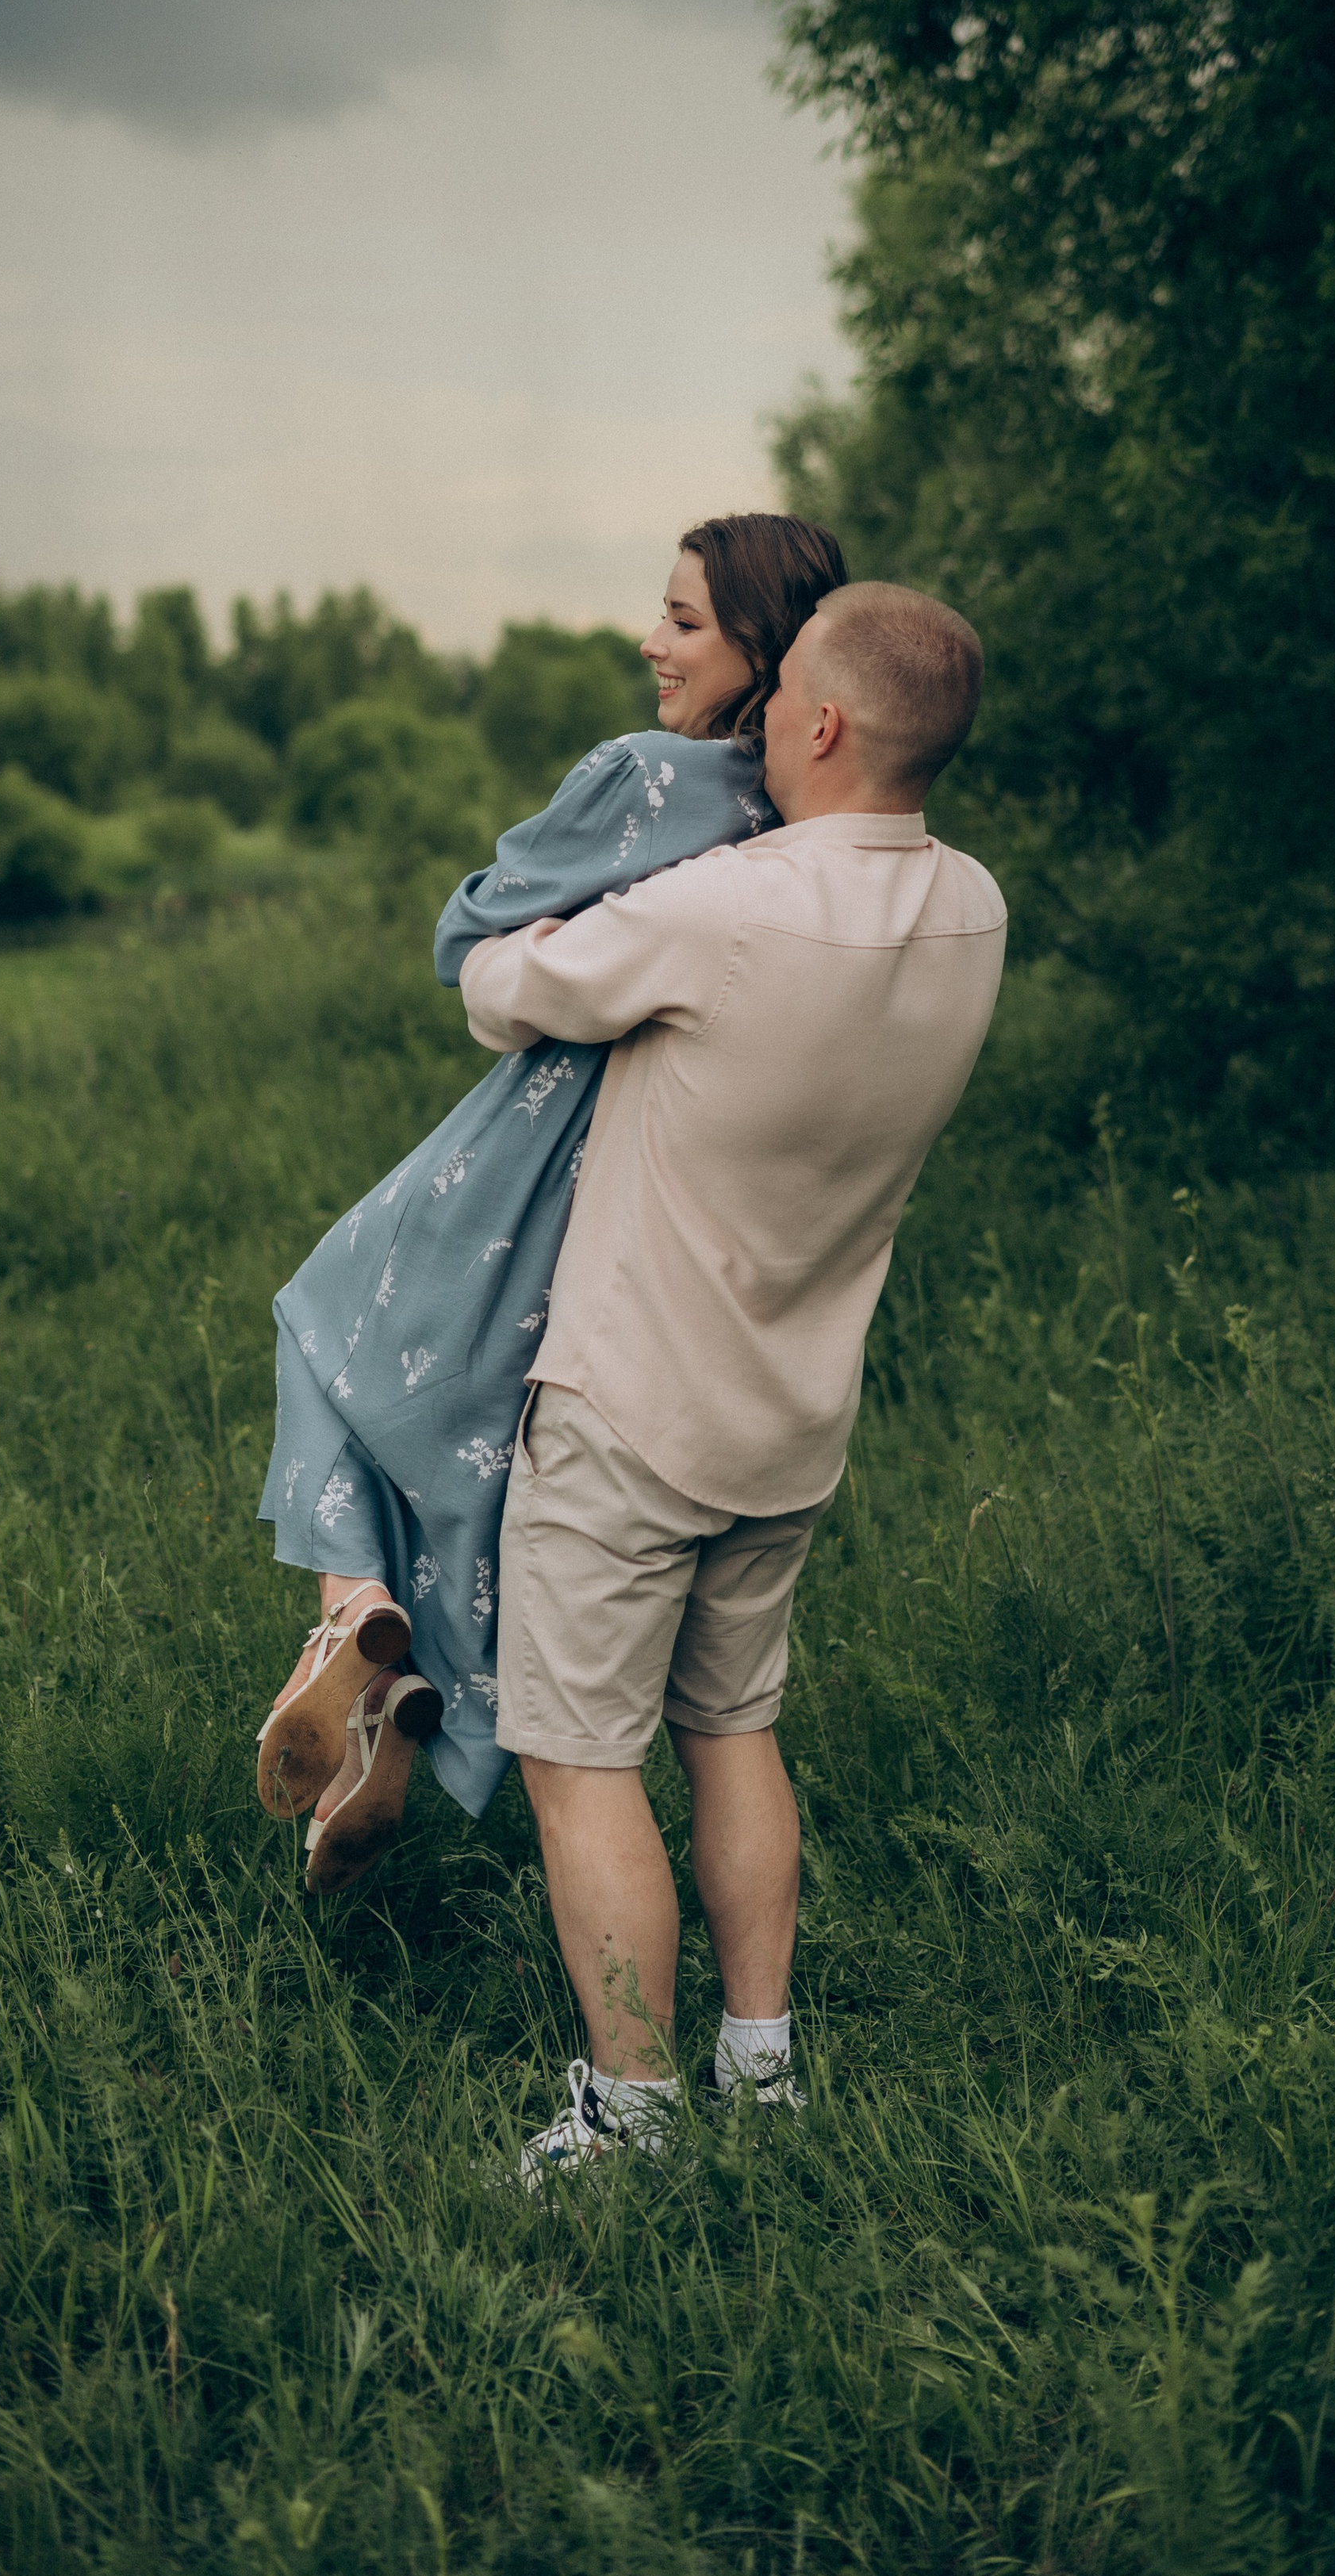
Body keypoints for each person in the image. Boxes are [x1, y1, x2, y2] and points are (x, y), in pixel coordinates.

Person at [454, 580, 1007, 2183]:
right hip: (792, 1419)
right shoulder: (972, 907)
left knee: (579, 1764)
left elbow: (503, 989)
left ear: (821, 724)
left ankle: (628, 2117)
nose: (753, 719)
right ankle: (760, 2075)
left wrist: (539, 894)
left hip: (632, 1408)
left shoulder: (728, 904)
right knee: (734, 1728)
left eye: (778, 703)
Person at [253, 514, 848, 1888]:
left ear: (764, 643)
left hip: (532, 1140)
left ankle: (357, 1619)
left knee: (321, 1316)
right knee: (477, 1446)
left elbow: (468, 933)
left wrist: (533, 927)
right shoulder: (802, 816)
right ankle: (396, 1700)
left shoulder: (648, 776)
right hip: (652, 1173)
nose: (654, 642)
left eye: (686, 621)